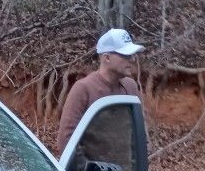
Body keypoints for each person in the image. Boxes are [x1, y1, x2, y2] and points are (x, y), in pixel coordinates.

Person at [56, 28, 145, 156]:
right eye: (126, 55)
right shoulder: (83, 89)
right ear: (107, 58)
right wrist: (87, 170)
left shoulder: (130, 87)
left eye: (132, 55)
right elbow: (66, 140)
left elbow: (138, 133)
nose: (132, 60)